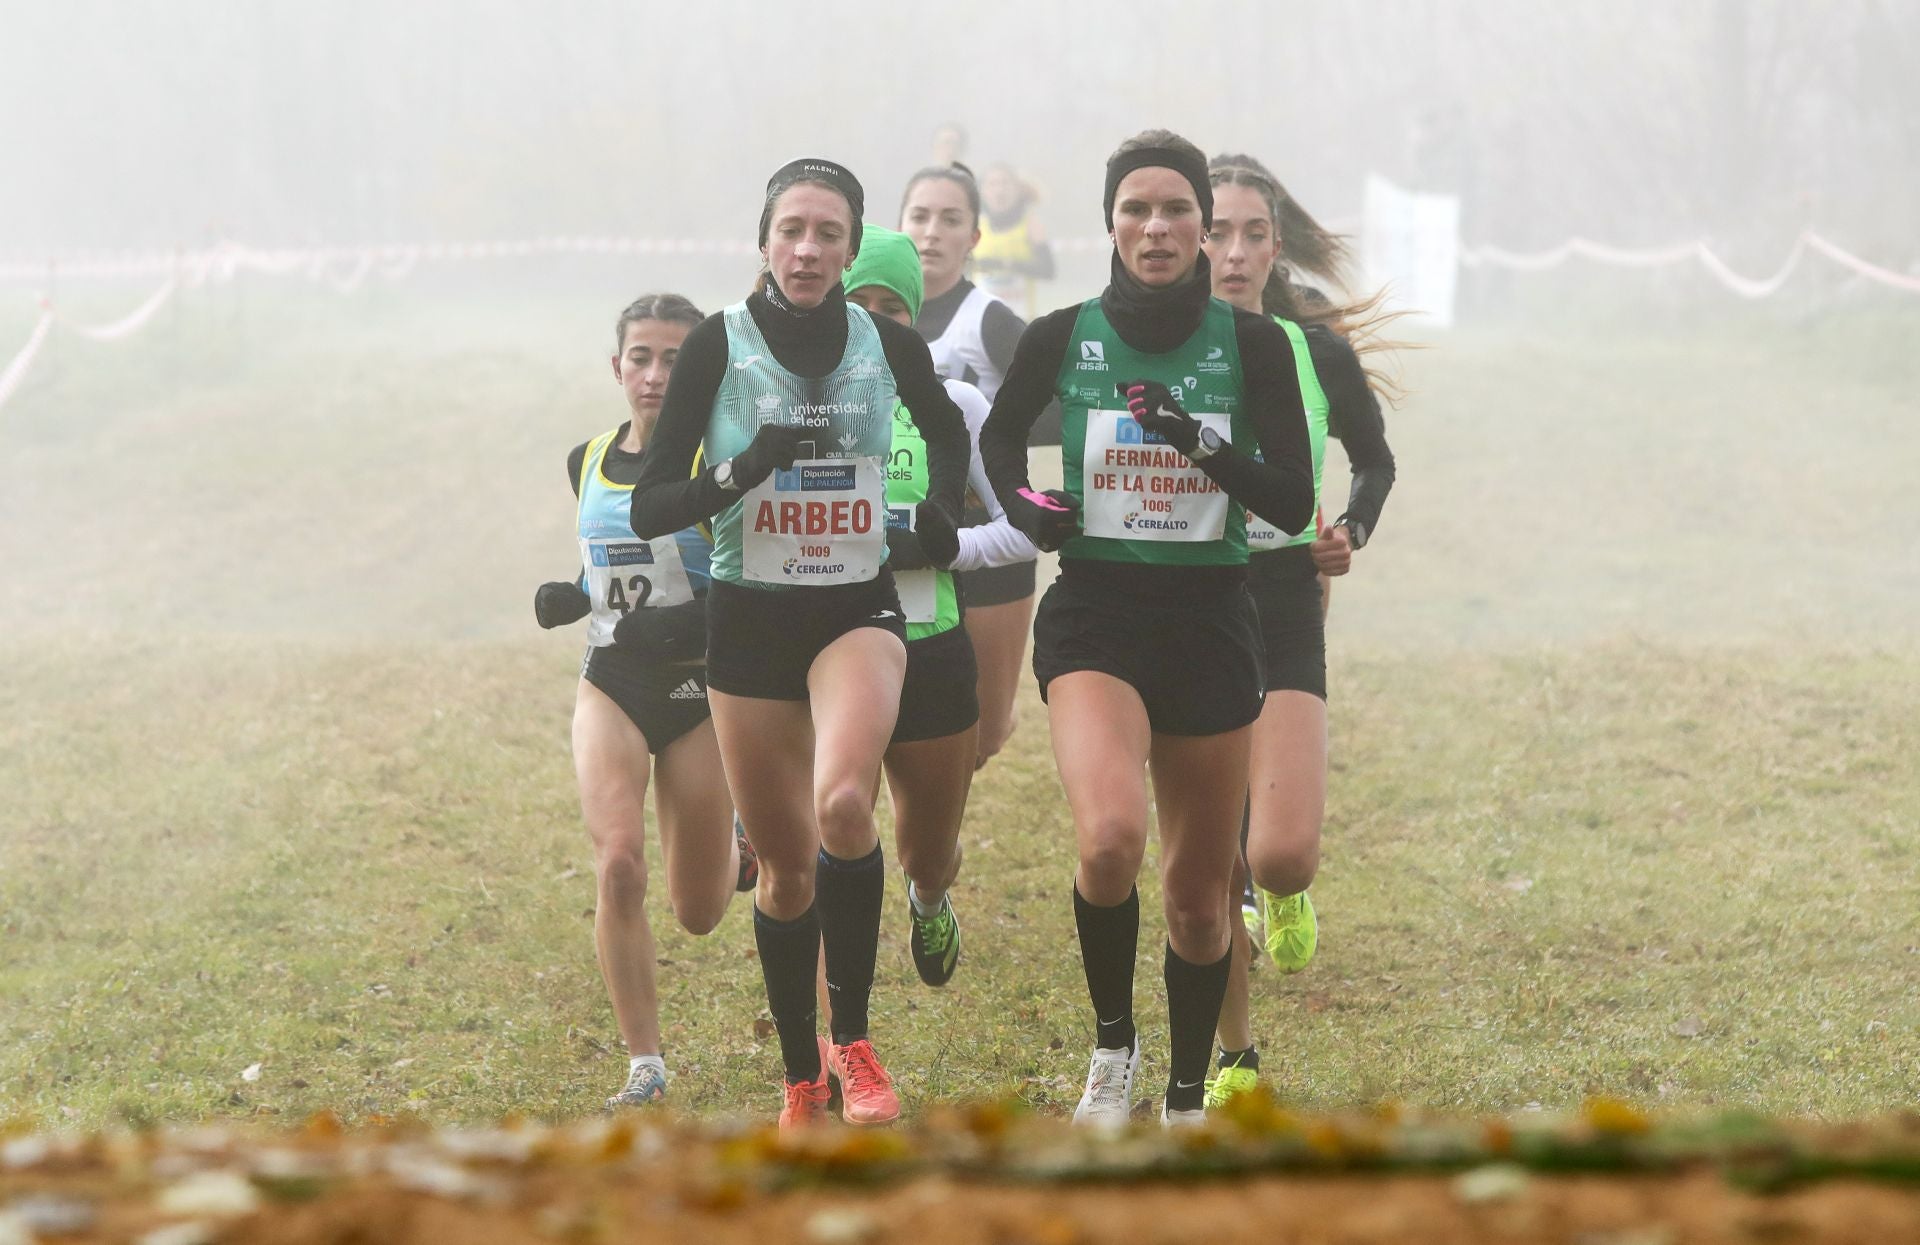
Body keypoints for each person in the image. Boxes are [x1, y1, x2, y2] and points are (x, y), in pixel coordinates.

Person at [980, 130, 1316, 1126]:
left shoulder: (1251, 345)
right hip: (1096, 615)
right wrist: (1027, 508)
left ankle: (1183, 1095)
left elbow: (1293, 502)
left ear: (1205, 232)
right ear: (1111, 225)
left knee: (1201, 900)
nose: (1158, 227)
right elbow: (998, 441)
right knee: (1112, 837)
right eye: (1137, 209)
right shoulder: (1063, 335)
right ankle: (1114, 1047)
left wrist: (1193, 439)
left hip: (1212, 620)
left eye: (1178, 211)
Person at [629, 158, 969, 1130]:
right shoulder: (718, 349)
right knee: (783, 872)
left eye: (828, 233)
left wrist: (940, 514)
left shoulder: (882, 342)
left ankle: (855, 1044)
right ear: (765, 242)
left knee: (847, 802)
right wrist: (736, 475)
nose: (809, 249)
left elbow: (948, 435)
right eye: (792, 231)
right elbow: (656, 502)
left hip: (855, 607)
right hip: (748, 623)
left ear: (852, 246)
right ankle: (798, 1075)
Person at [1200, 154, 1400, 1108]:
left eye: (1251, 235)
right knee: (1209, 857)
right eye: (1216, 231)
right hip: (1176, 607)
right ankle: (1235, 1056)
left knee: (1277, 851)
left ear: (1276, 247)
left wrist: (1347, 530)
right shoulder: (1137, 352)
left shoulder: (1313, 351)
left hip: (1281, 604)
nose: (1232, 254)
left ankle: (1279, 884)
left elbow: (1373, 461)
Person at [532, 293, 749, 1110]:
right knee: (618, 861)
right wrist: (575, 593)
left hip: (699, 695)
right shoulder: (584, 458)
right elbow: (611, 559)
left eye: (674, 360)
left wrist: (681, 626)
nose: (655, 375)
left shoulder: (720, 465)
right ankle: (644, 1063)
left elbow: (744, 583)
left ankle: (737, 847)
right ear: (615, 366)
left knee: (697, 911)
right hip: (612, 685)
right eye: (640, 358)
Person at [837, 225, 1040, 988]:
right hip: (832, 646)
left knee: (928, 850)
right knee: (839, 812)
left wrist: (949, 549)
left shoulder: (954, 402)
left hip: (933, 651)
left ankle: (929, 899)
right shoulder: (799, 405)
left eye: (895, 304)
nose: (878, 318)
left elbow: (1025, 528)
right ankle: (835, 1037)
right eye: (861, 301)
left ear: (917, 315)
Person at [899, 164, 1051, 768]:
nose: (932, 233)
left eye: (951, 219)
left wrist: (982, 439)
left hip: (985, 540)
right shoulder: (865, 318)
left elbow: (1054, 411)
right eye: (919, 216)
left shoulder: (988, 320)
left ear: (974, 238)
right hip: (902, 546)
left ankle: (932, 848)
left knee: (981, 736)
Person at [975, 164, 1056, 320]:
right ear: (982, 191)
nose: (999, 190)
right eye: (992, 184)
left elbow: (1048, 270)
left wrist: (1006, 264)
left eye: (1005, 183)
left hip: (1021, 323)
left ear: (1017, 190)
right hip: (982, 324)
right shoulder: (975, 226)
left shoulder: (1030, 224)